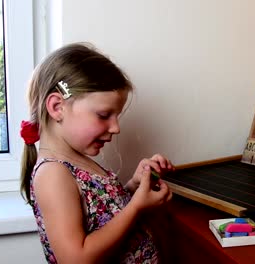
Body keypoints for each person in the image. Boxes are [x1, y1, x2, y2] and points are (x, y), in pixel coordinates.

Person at [19, 42, 175, 263]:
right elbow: (76, 258)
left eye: (117, 116)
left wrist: (134, 186)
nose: (116, 127)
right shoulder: (53, 174)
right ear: (57, 107)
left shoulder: (79, 161)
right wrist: (138, 207)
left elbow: (102, 215)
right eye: (104, 115)